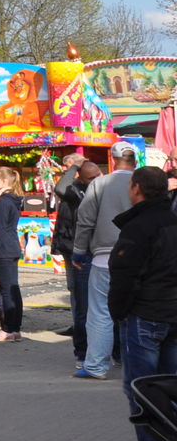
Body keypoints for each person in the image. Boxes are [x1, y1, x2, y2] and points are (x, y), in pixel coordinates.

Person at [105, 166, 177, 441]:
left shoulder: (141, 226)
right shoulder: (170, 221)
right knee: (166, 388)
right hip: (170, 314)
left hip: (147, 315)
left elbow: (125, 276)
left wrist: (119, 312)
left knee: (142, 389)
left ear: (136, 188)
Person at [75, 142, 141, 379]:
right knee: (137, 311)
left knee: (100, 312)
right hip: (139, 257)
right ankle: (137, 364)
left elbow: (85, 219)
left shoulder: (100, 184)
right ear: (135, 160)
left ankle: (96, 366)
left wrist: (78, 250)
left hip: (104, 257)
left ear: (112, 160)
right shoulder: (143, 182)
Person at [55, 154, 100, 363]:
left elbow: (60, 188)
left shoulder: (89, 190)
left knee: (84, 295)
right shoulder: (76, 189)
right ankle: (78, 328)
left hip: (85, 248)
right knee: (75, 290)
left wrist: (75, 167)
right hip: (71, 245)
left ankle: (85, 341)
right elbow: (62, 189)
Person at [0, 165, 25, 341]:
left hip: (3, 250)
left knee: (8, 291)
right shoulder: (13, 199)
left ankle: (8, 329)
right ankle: (14, 329)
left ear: (5, 180)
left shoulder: (3, 202)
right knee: (13, 289)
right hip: (11, 247)